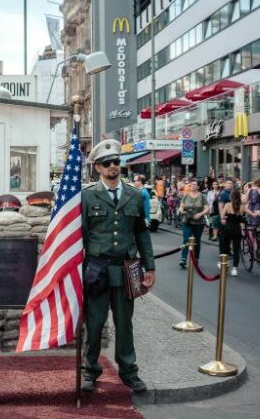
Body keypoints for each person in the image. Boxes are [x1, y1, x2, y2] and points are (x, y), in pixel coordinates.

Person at [80, 139, 155, 394]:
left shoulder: (134, 194)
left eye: (116, 162)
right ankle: (90, 370)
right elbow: (80, 234)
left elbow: (142, 234)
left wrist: (150, 268)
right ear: (98, 168)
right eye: (107, 163)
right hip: (97, 270)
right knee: (95, 323)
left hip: (127, 269)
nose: (113, 166)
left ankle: (129, 372)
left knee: (125, 324)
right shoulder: (87, 196)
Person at [179, 180, 209, 269]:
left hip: (198, 222)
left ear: (198, 187)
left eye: (195, 185)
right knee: (186, 240)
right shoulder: (186, 196)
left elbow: (207, 208)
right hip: (187, 221)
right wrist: (181, 210)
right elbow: (181, 206)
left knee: (197, 241)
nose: (193, 186)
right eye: (191, 185)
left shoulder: (202, 196)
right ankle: (183, 259)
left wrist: (200, 214)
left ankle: (196, 258)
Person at [220, 188, 246, 277]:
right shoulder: (242, 206)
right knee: (236, 249)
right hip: (237, 230)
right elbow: (246, 216)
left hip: (227, 229)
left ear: (231, 197)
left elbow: (222, 216)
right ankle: (235, 268)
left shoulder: (227, 205)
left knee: (225, 247)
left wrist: (225, 218)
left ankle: (224, 263)